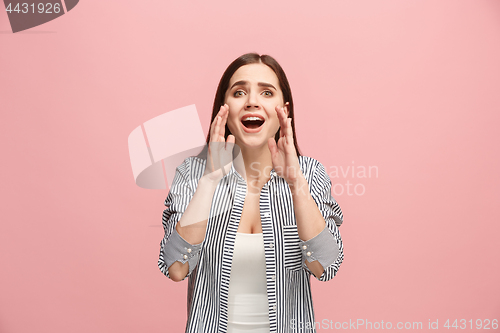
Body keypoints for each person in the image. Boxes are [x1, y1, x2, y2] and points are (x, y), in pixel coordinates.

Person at [158, 53, 344, 333]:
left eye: (266, 92)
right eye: (239, 92)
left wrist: (295, 183)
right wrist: (209, 181)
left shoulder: (310, 174)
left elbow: (326, 267)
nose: (252, 101)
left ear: (284, 109)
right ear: (225, 107)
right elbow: (176, 268)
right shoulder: (193, 174)